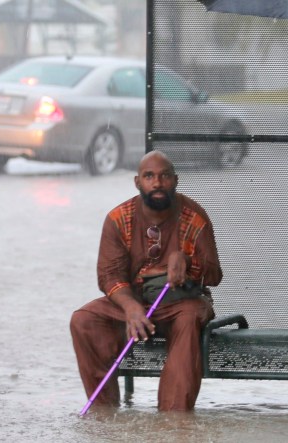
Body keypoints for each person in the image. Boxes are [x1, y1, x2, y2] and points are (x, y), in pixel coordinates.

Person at [70, 151, 222, 411]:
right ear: (137, 182)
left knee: (188, 318)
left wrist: (186, 261)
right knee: (84, 320)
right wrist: (130, 307)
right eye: (149, 176)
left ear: (175, 180)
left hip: (183, 303)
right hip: (135, 302)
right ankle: (104, 415)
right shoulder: (118, 219)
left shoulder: (195, 216)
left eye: (164, 176)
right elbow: (108, 275)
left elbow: (215, 275)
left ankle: (173, 421)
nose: (157, 183)